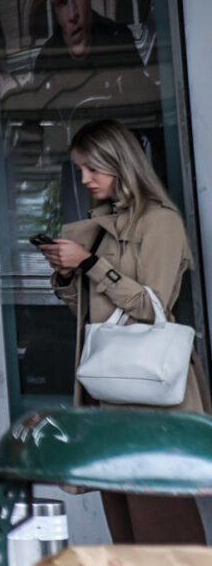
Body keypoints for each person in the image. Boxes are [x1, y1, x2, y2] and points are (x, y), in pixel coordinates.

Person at [36, 117, 206, 542]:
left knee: (162, 525)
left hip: (150, 397)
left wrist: (92, 265)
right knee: (126, 526)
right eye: (79, 170)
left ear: (121, 163)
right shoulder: (101, 226)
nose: (85, 179)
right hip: (108, 394)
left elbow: (153, 306)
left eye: (93, 168)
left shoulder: (159, 221)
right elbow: (92, 313)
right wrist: (66, 275)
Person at [1, 0, 160, 117]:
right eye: (62, 2)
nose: (72, 13)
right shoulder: (47, 61)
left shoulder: (119, 42)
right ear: (54, 6)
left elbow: (149, 116)